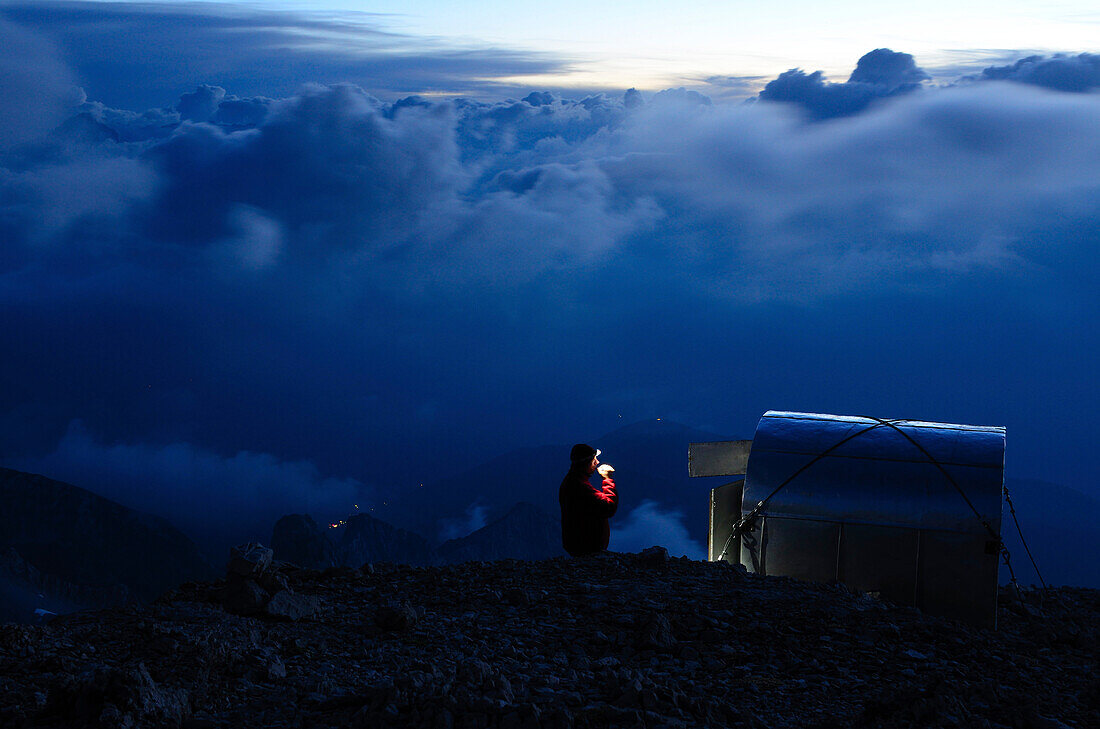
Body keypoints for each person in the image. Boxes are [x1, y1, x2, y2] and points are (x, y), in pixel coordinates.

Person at [559, 443, 618, 556]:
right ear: (585, 463)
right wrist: (608, 480)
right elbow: (609, 507)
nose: (597, 462)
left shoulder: (572, 482)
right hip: (588, 547)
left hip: (578, 544)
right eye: (594, 459)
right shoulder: (580, 487)